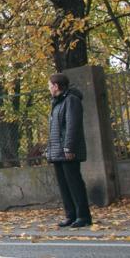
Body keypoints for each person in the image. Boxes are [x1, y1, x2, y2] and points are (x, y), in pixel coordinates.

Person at [47, 73, 92, 228]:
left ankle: (83, 216)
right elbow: (54, 129)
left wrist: (69, 147)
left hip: (67, 150)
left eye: (50, 85)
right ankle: (70, 215)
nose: (49, 88)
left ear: (56, 86)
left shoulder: (71, 100)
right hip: (57, 152)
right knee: (64, 185)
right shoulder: (57, 102)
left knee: (74, 183)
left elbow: (72, 126)